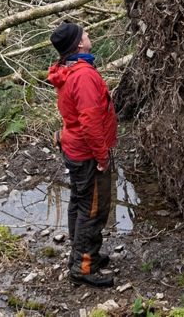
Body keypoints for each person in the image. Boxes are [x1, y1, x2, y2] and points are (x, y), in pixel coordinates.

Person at [49, 21, 118, 288]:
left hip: (74, 148)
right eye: (85, 33)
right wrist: (102, 157)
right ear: (78, 44)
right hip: (87, 153)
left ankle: (84, 255)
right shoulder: (84, 75)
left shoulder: (67, 70)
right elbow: (90, 122)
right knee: (93, 209)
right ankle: (83, 266)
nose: (89, 35)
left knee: (79, 203)